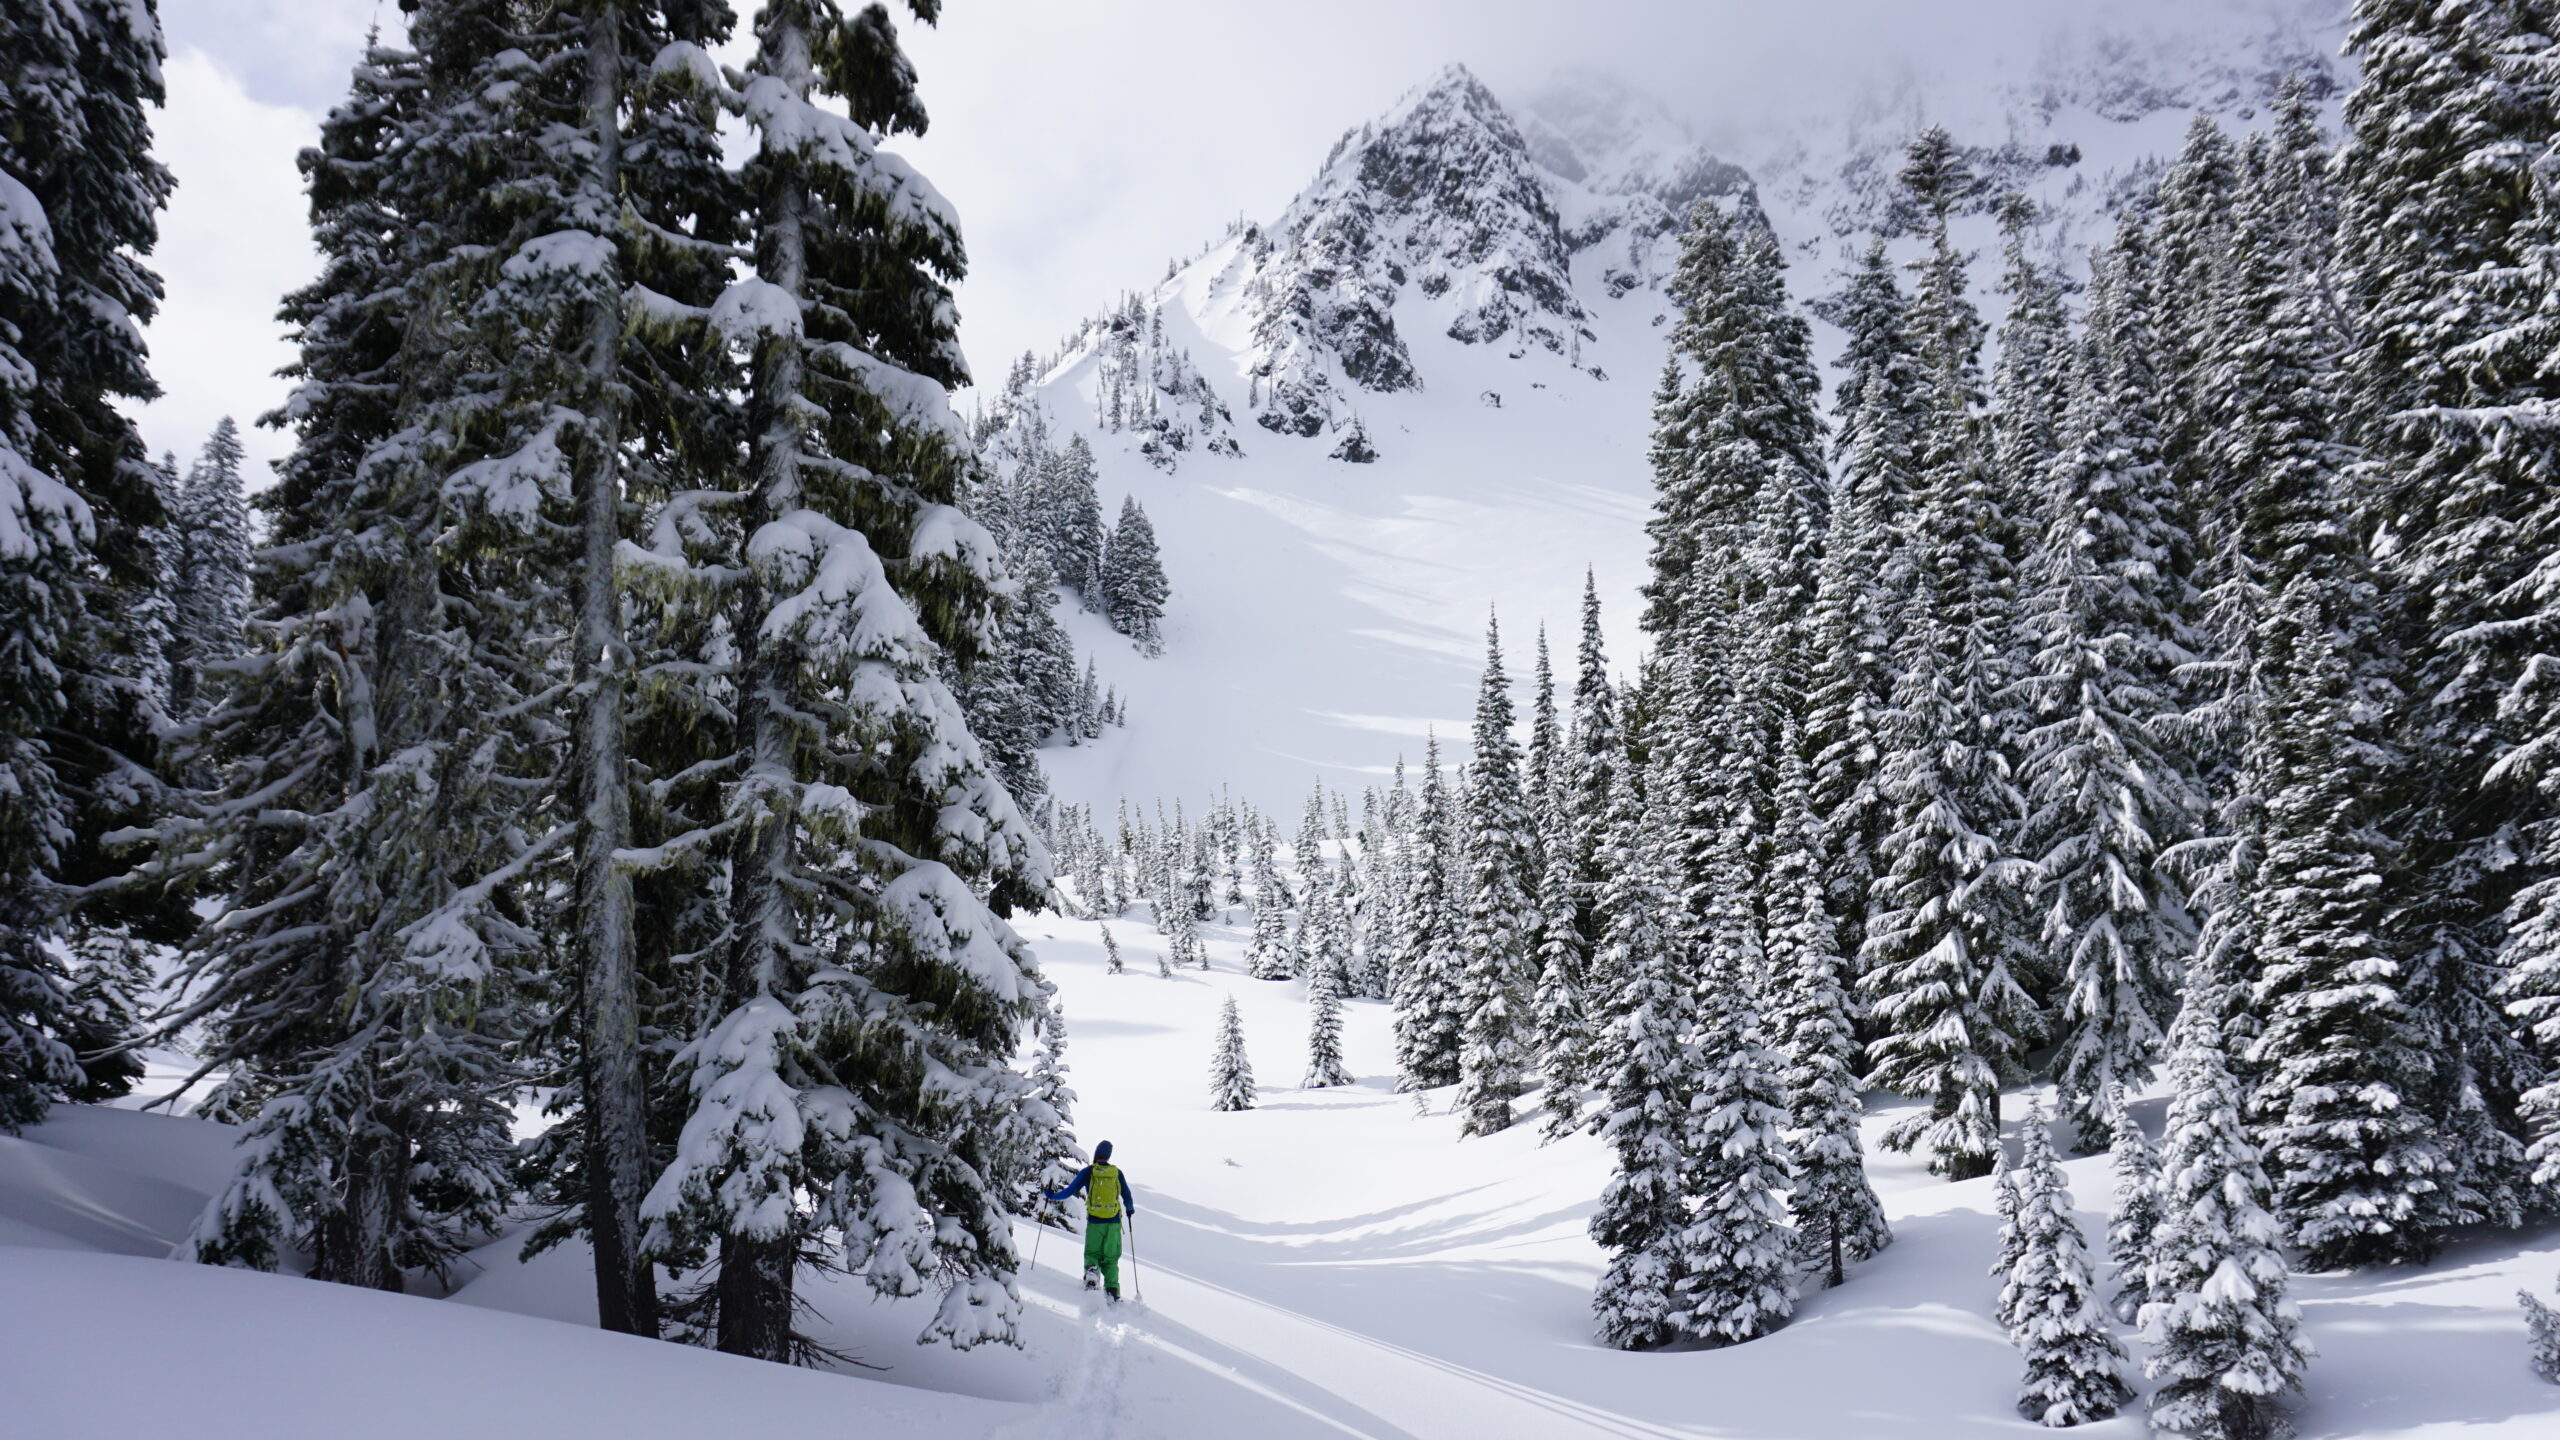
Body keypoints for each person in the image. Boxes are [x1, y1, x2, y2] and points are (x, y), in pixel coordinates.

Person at [1047, 1139, 1137, 1299]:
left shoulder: (1089, 1171)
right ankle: (1112, 1290)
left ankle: (1091, 1278)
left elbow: (1069, 1191)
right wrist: (1129, 1209)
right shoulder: (1117, 1173)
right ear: (1108, 1156)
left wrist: (1052, 1195)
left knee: (1092, 1253)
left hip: (1095, 1222)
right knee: (1110, 1258)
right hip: (1113, 1222)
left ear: (1097, 1153)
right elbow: (1127, 1196)